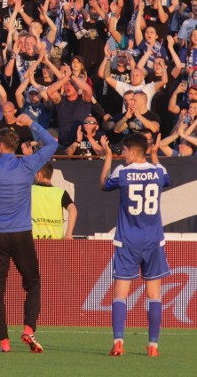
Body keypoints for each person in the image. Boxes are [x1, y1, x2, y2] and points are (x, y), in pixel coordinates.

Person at [0, 113, 58, 353]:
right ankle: (29, 329)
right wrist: (31, 124)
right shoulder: (27, 165)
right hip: (21, 233)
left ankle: (4, 342)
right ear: (16, 145)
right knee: (33, 283)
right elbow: (53, 144)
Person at [100, 134, 170, 357]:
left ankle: (119, 341)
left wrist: (108, 157)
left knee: (121, 293)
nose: (123, 154)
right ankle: (153, 346)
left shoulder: (123, 172)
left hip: (127, 240)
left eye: (124, 151)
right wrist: (154, 154)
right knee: (154, 294)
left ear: (132, 151)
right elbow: (166, 179)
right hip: (153, 240)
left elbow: (103, 184)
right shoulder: (158, 171)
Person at [31, 163, 77, 240]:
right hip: (56, 243)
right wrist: (68, 234)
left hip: (34, 241)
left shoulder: (30, 190)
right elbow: (73, 211)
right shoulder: (61, 193)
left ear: (39, 174)